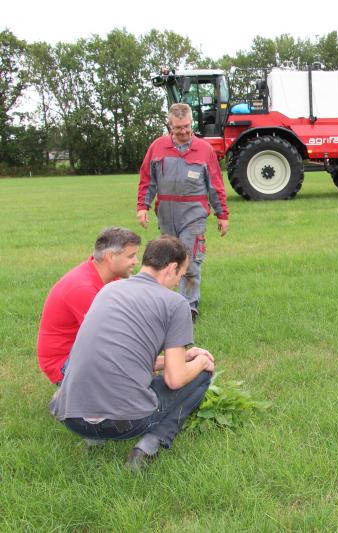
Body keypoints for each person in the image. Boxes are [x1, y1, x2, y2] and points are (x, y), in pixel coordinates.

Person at [49, 235, 217, 471]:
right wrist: (200, 362)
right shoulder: (176, 304)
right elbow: (175, 378)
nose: (179, 281)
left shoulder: (108, 290)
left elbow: (125, 357)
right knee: (201, 376)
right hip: (126, 423)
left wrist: (178, 359)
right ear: (171, 269)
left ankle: (94, 439)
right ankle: (150, 445)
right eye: (181, 274)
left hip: (72, 417)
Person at [137, 102, 229, 322]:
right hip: (167, 214)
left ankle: (189, 308)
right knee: (167, 260)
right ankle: (167, 304)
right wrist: (143, 206)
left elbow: (216, 184)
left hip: (194, 213)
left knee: (190, 259)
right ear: (170, 125)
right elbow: (147, 181)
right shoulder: (157, 148)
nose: (184, 131)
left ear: (191, 123)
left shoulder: (204, 150)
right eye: (178, 127)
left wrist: (222, 214)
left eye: (187, 126)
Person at [37, 227, 141, 385]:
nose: (136, 261)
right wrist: (163, 361)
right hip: (65, 365)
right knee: (131, 388)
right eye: (131, 256)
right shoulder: (82, 288)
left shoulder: (107, 276)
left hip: (84, 353)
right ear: (110, 256)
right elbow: (113, 341)